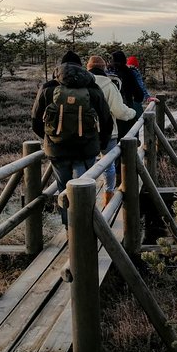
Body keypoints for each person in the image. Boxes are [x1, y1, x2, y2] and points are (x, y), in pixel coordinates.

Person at [31, 50, 113, 228]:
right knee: (85, 188)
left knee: (63, 190)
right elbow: (106, 119)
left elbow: (35, 121)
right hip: (86, 148)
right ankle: (85, 228)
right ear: (81, 67)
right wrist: (101, 143)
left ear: (60, 67)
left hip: (58, 149)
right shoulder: (91, 87)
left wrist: (49, 139)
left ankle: (70, 229)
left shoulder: (48, 87)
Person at [86, 55, 136, 206]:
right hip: (109, 132)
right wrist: (132, 113)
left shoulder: (82, 83)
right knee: (109, 164)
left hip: (86, 132)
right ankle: (108, 195)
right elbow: (119, 111)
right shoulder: (109, 84)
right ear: (103, 68)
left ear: (88, 68)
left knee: (88, 165)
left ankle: (86, 198)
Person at [109, 50, 144, 138]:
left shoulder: (109, 75)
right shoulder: (129, 74)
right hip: (127, 109)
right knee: (129, 137)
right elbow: (139, 95)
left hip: (112, 113)